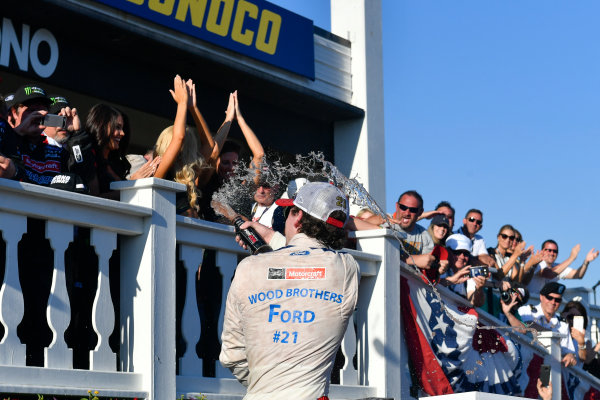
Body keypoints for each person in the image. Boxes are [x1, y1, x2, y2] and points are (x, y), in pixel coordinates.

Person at [220, 182, 359, 399]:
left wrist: (268, 384)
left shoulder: (249, 267)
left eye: (288, 212)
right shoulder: (346, 268)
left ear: (298, 217)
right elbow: (308, 261)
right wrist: (273, 239)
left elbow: (232, 356)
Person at [87, 103, 159, 197]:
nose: (122, 133)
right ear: (102, 125)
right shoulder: (87, 156)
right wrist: (132, 184)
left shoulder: (117, 164)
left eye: (122, 128)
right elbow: (93, 198)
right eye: (117, 127)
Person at [44, 95, 99, 194]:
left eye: (66, 119)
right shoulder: (33, 143)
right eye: (56, 118)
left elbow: (93, 190)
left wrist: (77, 134)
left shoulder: (80, 144)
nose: (62, 124)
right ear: (44, 120)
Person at [518, 282, 578, 367]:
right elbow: (526, 325)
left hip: (549, 369)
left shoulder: (563, 324)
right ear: (541, 297)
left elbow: (568, 350)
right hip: (526, 365)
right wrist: (552, 334)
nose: (553, 302)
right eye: (549, 298)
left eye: (557, 300)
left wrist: (570, 355)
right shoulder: (527, 311)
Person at [520, 240, 599, 295]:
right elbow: (549, 274)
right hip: (530, 301)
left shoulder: (557, 266)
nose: (552, 253)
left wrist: (586, 261)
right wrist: (571, 258)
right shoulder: (538, 263)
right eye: (549, 250)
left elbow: (578, 275)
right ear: (542, 251)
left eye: (555, 251)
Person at [440, 234, 488, 307]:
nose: (462, 257)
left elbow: (475, 303)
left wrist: (479, 289)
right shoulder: (440, 268)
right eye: (457, 252)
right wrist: (451, 280)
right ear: (448, 252)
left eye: (466, 254)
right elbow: (430, 284)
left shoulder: (469, 274)